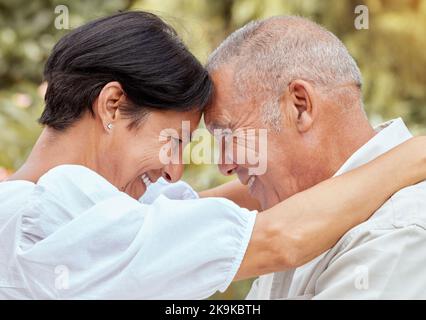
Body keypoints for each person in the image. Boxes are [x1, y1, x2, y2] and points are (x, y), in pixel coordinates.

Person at [1, 11, 426, 300]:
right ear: (112, 105)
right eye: (175, 141)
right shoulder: (59, 209)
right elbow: (277, 236)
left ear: (300, 105)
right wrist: (414, 156)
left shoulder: (56, 206)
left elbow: (211, 208)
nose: (175, 171)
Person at [205, 15, 426, 299]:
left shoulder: (397, 232)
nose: (224, 165)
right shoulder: (297, 212)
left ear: (300, 106)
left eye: (227, 134)